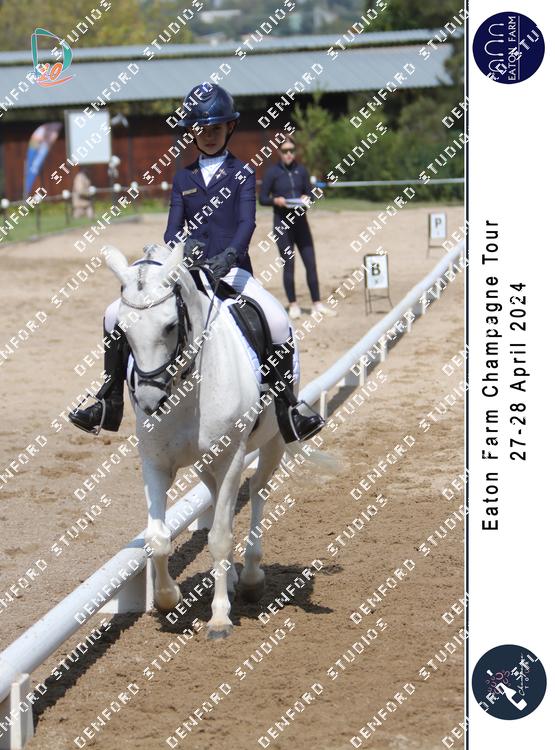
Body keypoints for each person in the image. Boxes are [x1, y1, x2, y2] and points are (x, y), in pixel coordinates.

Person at [69, 83, 325, 444]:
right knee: (114, 314)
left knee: (278, 320)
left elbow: (246, 223)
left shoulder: (242, 172)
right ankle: (108, 401)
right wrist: (182, 250)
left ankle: (288, 409)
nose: (208, 135)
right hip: (189, 272)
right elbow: (172, 230)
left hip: (232, 270)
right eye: (201, 129)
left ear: (230, 128)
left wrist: (230, 256)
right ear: (191, 131)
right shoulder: (183, 177)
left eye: (216, 128)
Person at [259, 136, 336, 320]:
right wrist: (275, 200)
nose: (288, 154)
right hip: (282, 225)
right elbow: (262, 198)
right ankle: (293, 305)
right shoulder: (272, 173)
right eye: (285, 151)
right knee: (289, 265)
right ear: (279, 152)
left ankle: (317, 304)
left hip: (301, 224)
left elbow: (311, 193)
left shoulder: (301, 170)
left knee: (311, 263)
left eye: (291, 151)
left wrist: (307, 198)